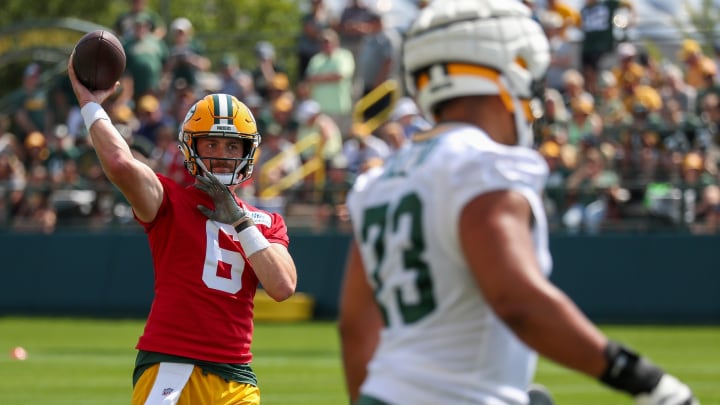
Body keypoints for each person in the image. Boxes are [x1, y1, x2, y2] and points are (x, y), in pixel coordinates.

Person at [337, 1, 699, 405]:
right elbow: (518, 301)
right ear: (507, 72)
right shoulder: (484, 164)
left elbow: (355, 327)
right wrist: (641, 378)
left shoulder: (381, 178)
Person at [67, 54, 297, 404]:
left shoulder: (265, 221)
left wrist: (239, 220)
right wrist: (89, 105)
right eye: (212, 143)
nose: (223, 155)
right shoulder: (169, 200)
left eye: (233, 145)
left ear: (248, 151)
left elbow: (282, 286)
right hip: (170, 364)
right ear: (193, 147)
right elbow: (119, 163)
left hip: (236, 374)